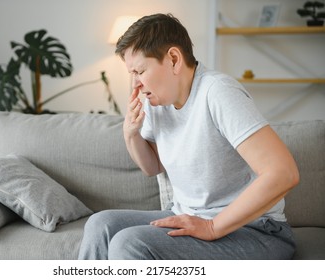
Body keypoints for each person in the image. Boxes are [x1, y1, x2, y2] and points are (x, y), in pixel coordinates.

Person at [78, 13, 299, 260]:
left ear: (173, 59)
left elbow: (283, 173)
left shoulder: (217, 93)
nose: (135, 84)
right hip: (192, 218)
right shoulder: (157, 101)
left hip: (257, 231)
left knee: (131, 243)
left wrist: (212, 226)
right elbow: (152, 167)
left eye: (139, 71)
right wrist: (130, 134)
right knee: (101, 225)